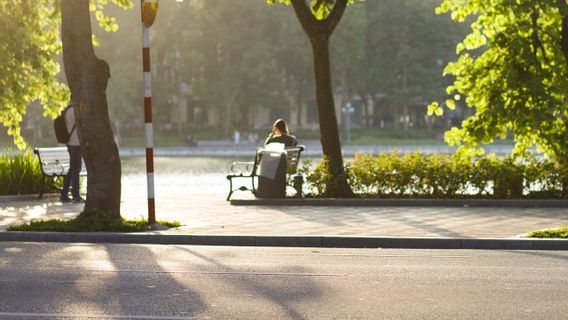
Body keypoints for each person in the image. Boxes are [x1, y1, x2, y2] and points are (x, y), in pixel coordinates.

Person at [60, 104, 85, 203]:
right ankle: (75, 196)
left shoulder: (67, 109)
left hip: (71, 143)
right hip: (75, 143)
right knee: (76, 169)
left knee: (72, 169)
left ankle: (64, 194)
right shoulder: (73, 110)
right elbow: (81, 123)